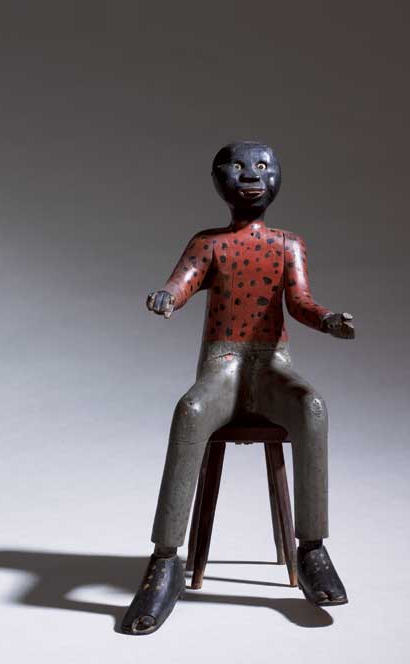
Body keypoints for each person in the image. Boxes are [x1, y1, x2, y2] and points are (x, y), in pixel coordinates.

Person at [122, 141, 355, 635]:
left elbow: (301, 301)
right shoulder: (208, 244)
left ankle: (312, 549)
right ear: (218, 178)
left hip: (271, 364)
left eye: (262, 166)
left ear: (277, 178)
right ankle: (165, 561)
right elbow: (183, 281)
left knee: (312, 406)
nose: (250, 175)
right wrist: (167, 296)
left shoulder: (288, 245)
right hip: (223, 365)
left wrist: (327, 319)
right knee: (190, 410)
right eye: (238, 166)